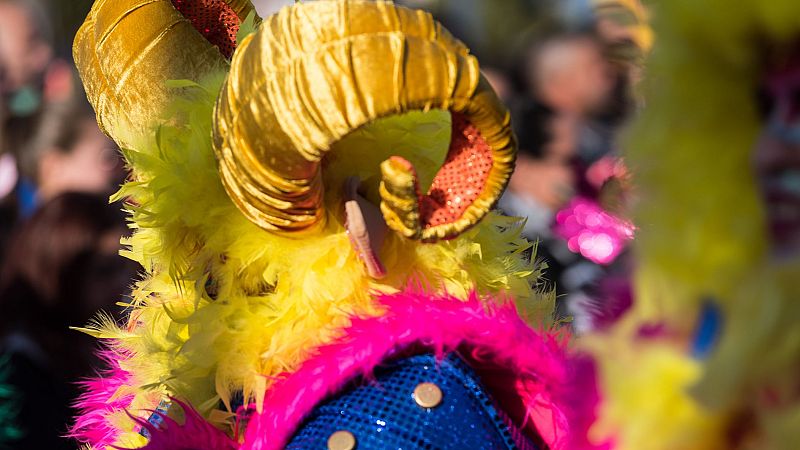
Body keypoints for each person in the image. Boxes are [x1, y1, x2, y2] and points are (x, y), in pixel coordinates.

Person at [0, 192, 134, 450]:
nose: (123, 284)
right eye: (105, 271)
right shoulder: (18, 375)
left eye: (125, 265)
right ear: (60, 276)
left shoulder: (111, 348)